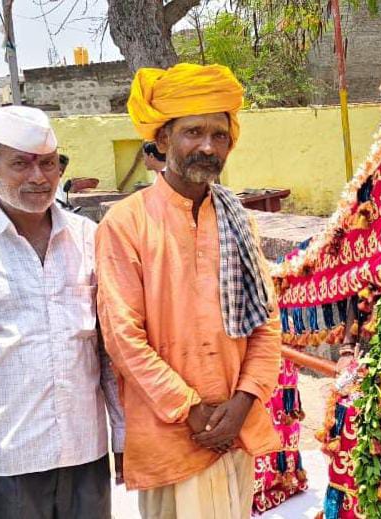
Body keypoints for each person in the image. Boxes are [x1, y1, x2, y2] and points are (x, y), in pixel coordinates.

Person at [96, 63, 282, 518]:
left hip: (234, 430)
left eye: (219, 135)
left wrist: (243, 401)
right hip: (170, 435)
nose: (208, 146)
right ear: (162, 140)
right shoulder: (126, 223)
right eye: (193, 132)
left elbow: (267, 324)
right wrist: (190, 410)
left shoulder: (238, 220)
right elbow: (123, 337)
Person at [0, 105, 125, 519]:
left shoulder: (89, 236)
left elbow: (108, 349)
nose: (39, 178)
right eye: (21, 164)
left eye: (49, 164)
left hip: (83, 447)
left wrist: (121, 435)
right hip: (5, 454)